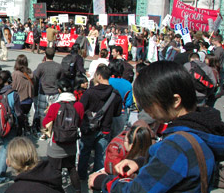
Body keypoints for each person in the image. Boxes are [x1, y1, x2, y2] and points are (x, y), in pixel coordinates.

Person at [89, 61, 224, 192]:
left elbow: (137, 190)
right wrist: (142, 163)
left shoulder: (176, 146)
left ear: (175, 100)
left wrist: (103, 182)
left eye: (150, 103)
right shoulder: (202, 130)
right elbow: (177, 169)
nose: (147, 110)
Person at [77, 65, 122, 180]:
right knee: (100, 155)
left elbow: (80, 108)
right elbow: (117, 114)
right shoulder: (115, 94)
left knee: (85, 152)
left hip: (89, 127)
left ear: (99, 76)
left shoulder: (90, 92)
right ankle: (97, 179)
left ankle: (81, 176)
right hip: (106, 129)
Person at [42, 78, 84, 193]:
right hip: (71, 144)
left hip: (57, 143)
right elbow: (80, 123)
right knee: (71, 168)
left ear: (59, 90)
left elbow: (45, 123)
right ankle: (78, 190)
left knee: (55, 170)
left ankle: (57, 190)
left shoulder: (55, 106)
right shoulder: (79, 105)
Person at [33, 47, 63, 139]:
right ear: (54, 55)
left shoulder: (41, 66)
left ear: (45, 55)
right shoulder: (59, 66)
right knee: (54, 113)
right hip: (55, 92)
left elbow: (35, 78)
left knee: (42, 114)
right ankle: (53, 131)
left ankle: (43, 132)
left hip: (43, 92)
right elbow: (61, 79)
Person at [12, 55, 35, 136]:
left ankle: (19, 132)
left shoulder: (15, 74)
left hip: (19, 100)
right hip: (28, 100)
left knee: (18, 117)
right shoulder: (30, 73)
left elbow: (12, 87)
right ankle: (25, 126)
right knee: (24, 114)